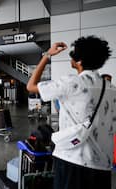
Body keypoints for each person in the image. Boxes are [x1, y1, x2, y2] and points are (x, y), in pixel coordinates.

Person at [26, 36, 115, 189]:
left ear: (79, 61)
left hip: (72, 161)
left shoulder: (72, 83)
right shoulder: (112, 89)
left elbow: (31, 85)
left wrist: (47, 55)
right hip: (103, 166)